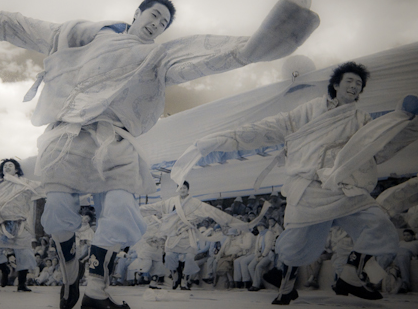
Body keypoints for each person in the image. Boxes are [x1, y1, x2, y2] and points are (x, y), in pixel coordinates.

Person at [0, 0, 319, 309]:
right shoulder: (85, 35)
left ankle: (96, 290)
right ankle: (70, 272)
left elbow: (214, 57)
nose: (156, 24)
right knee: (60, 215)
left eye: (163, 23)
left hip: (115, 141)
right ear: (137, 13)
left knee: (121, 208)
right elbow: (27, 28)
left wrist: (274, 32)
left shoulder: (158, 58)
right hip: (66, 137)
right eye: (154, 15)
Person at [172, 62, 418, 304]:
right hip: (309, 188)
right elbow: (269, 128)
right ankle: (286, 287)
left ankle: (351, 274)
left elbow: (378, 150)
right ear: (336, 85)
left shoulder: (362, 119)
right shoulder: (310, 110)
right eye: (350, 81)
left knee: (379, 226)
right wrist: (221, 140)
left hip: (346, 188)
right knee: (297, 243)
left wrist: (407, 123)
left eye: (359, 84)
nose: (355, 86)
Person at [139, 181, 266, 290]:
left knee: (190, 257)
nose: (182, 190)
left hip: (188, 234)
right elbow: (155, 206)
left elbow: (213, 211)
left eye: (184, 188)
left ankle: (185, 281)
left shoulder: (195, 203)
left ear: (188, 189)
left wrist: (234, 222)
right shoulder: (171, 202)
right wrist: (138, 208)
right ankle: (175, 276)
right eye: (180, 188)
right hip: (174, 234)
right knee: (170, 256)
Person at [0, 159, 44, 292]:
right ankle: (4, 268)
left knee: (24, 253)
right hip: (0, 222)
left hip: (19, 222)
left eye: (10, 165)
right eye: (5, 166)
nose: (7, 167)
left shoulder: (24, 182)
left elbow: (39, 187)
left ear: (16, 169)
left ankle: (21, 284)